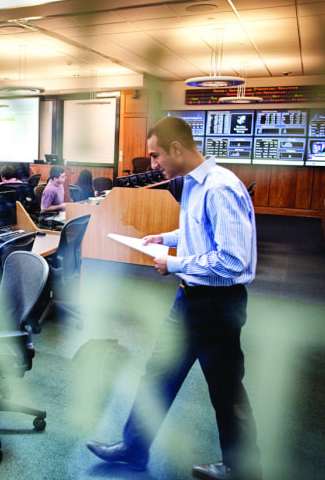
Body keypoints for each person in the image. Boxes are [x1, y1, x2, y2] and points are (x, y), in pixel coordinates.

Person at [86, 116, 261, 480]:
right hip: (189, 300)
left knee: (226, 391)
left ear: (177, 149)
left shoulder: (219, 187)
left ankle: (242, 469)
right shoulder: (194, 185)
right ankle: (133, 450)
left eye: (155, 156)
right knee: (156, 376)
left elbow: (232, 259)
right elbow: (199, 229)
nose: (153, 165)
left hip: (218, 305)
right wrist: (164, 239)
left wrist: (175, 262)